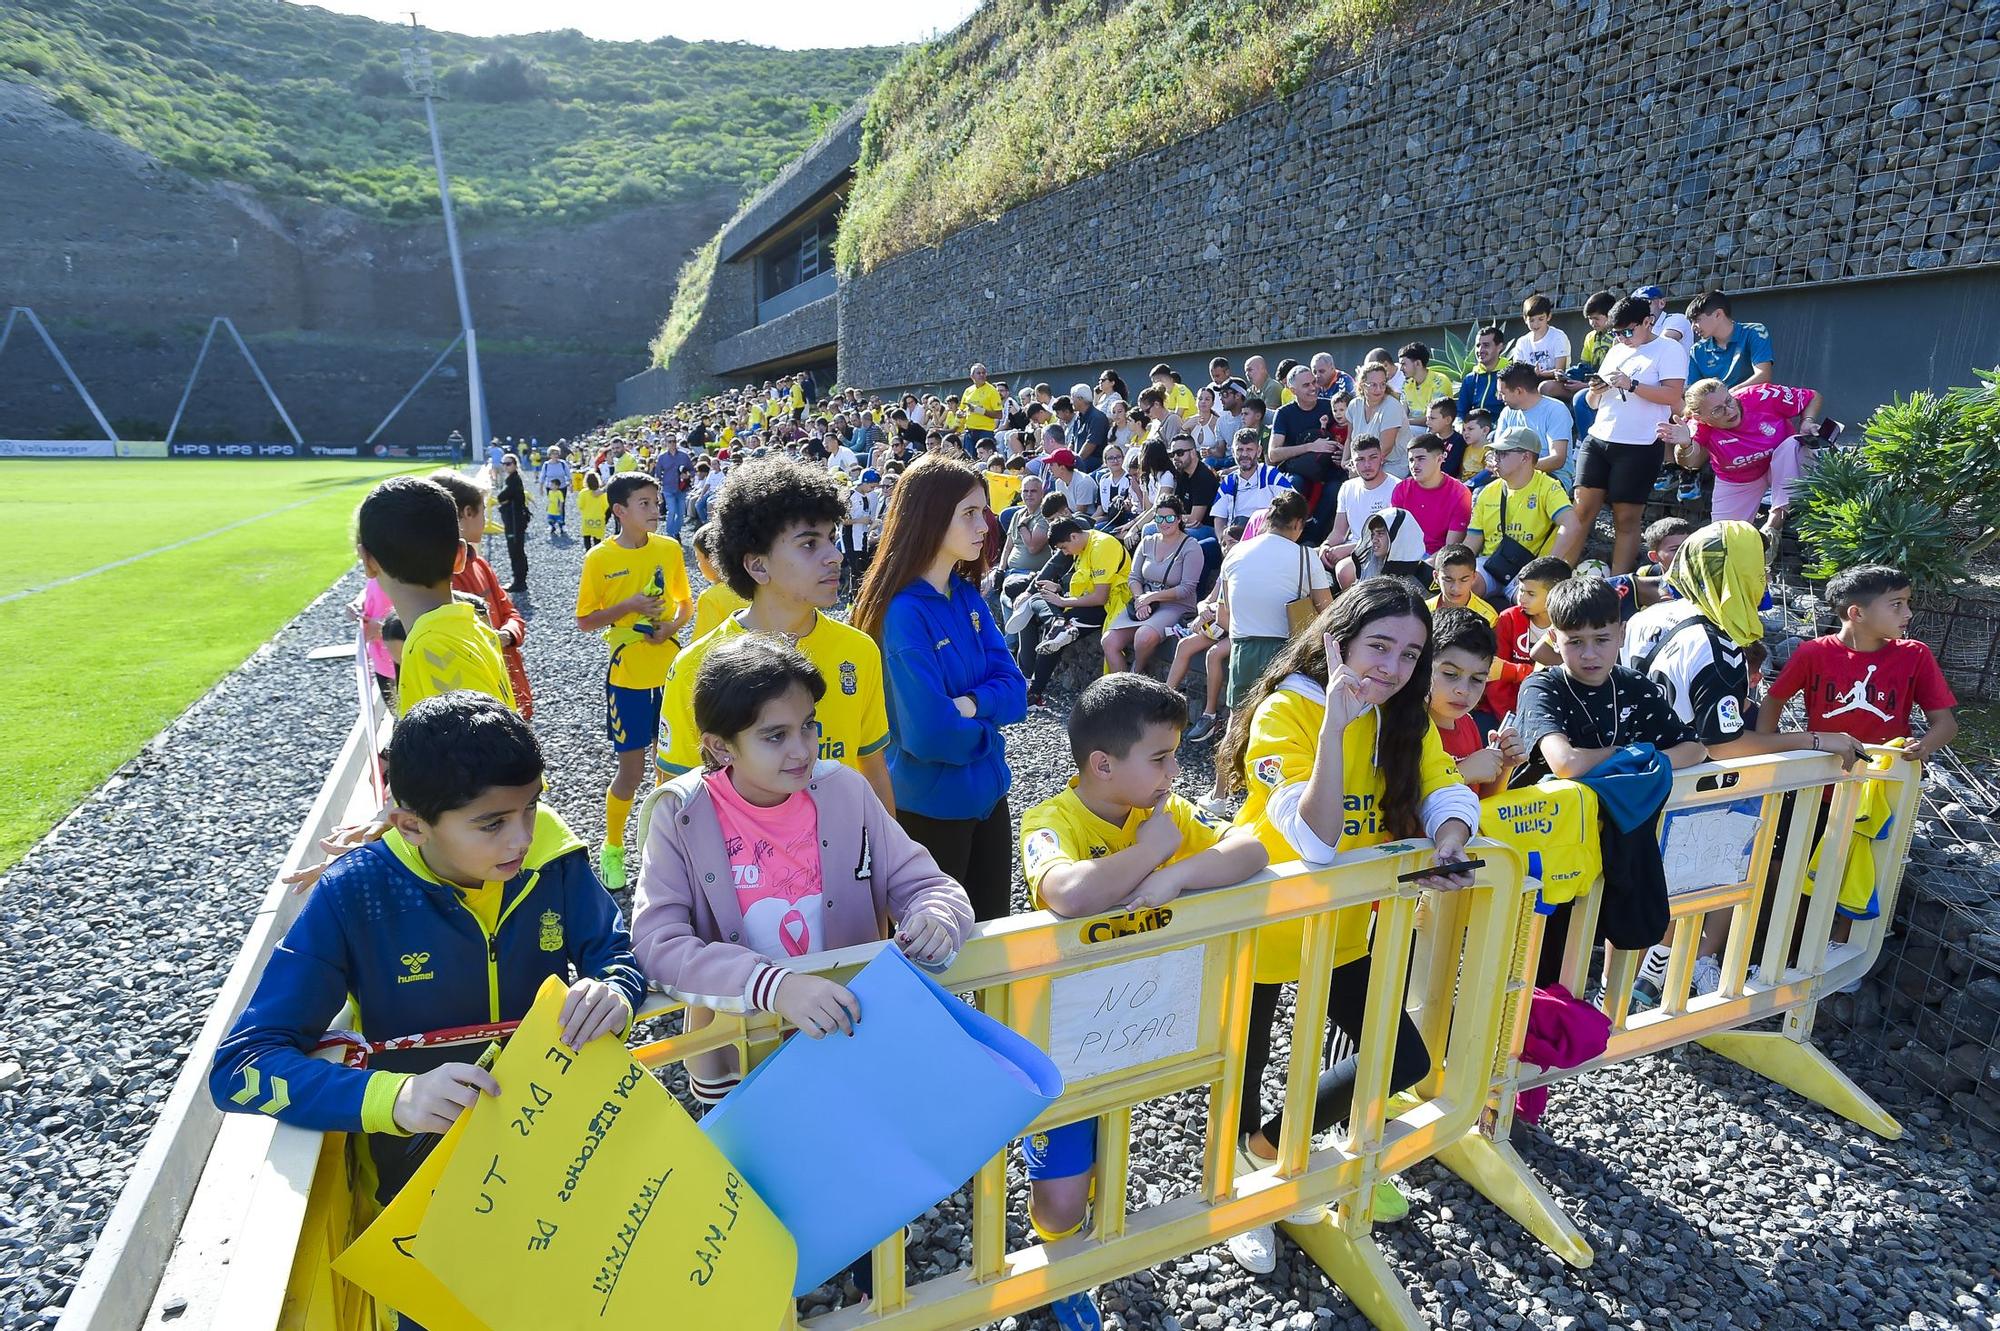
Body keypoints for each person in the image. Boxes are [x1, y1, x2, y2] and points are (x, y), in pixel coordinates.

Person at [210, 693, 646, 1208]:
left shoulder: (554, 854)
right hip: (422, 1179)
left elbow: (615, 953)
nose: (523, 838)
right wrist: (395, 1099)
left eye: (531, 807)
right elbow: (240, 1067)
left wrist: (614, 989)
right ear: (411, 825)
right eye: (493, 823)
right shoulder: (354, 894)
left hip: (568, 1143)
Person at [1216, 581, 1480, 1271]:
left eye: (1409, 654)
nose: (1391, 668)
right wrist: (1334, 723)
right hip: (1259, 921)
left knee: (1404, 1057)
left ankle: (1271, 1153)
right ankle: (1238, 1199)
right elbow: (1315, 839)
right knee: (1237, 1076)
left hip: (1338, 928)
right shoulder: (1288, 709)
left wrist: (1449, 840)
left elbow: (1447, 787)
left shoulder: (1403, 716)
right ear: (1337, 640)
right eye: (1379, 647)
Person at [632, 632, 973, 1113]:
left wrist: (937, 916)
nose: (802, 750)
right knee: (752, 1180)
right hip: (741, 1061)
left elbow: (925, 883)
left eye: (808, 726)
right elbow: (656, 943)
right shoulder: (682, 813)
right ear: (720, 747)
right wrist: (775, 987)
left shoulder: (845, 792)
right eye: (775, 736)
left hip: (850, 1035)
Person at [1019, 673, 1267, 1316]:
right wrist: (1149, 853)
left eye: (1175, 753)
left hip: (1134, 1029)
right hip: (1059, 1049)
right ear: (1102, 764)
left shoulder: (1165, 814)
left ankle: (1088, 1248)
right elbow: (1068, 894)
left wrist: (1178, 871)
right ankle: (1061, 1269)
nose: (1174, 770)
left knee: (1115, 1154)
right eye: (1159, 757)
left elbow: (1251, 851)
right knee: (1060, 1197)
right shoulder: (1052, 820)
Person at [1623, 523, 1869, 1000]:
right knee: (1704, 885)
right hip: (1693, 787)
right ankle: (1661, 987)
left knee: (1646, 893)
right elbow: (1727, 744)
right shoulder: (1718, 642)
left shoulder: (1649, 617)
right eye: (1757, 565)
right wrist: (1815, 739)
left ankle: (1627, 993)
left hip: (1640, 779)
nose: (1763, 576)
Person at [656, 459, 896, 815]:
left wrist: (887, 862)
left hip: (842, 863)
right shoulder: (695, 665)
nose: (835, 555)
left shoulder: (858, 650)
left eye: (832, 538)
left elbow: (872, 767)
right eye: (809, 544)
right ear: (757, 565)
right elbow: (673, 796)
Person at [851, 455, 1028, 923]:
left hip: (990, 802)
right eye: (969, 513)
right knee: (933, 956)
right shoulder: (903, 612)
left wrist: (970, 704)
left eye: (985, 512)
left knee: (992, 941)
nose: (985, 525)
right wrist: (992, 734)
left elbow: (1016, 689)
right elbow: (929, 734)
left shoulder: (968, 594)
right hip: (930, 812)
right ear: (930, 517)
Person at [1506, 577, 1707, 984]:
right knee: (1541, 960)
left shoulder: (1634, 685)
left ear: (1621, 633)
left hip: (1621, 839)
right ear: (1553, 638)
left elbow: (1694, 748)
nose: (1590, 654)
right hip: (1552, 847)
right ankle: (1528, 1033)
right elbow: (1563, 763)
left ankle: (1604, 1021)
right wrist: (1633, 757)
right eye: (1574, 641)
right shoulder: (1543, 685)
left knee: (1621, 932)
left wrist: (1632, 761)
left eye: (1601, 639)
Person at [574, 473, 694, 889]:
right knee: (631, 770)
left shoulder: (669, 548)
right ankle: (613, 848)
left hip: (670, 667)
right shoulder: (599, 559)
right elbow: (586, 621)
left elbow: (685, 604)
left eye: (656, 501)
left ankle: (667, 846)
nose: (655, 509)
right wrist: (629, 606)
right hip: (626, 673)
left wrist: (669, 627)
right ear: (619, 511)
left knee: (673, 764)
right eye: (644, 503)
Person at [1760, 564, 1958, 761]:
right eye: (1897, 604)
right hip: (1822, 777)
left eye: (1907, 603)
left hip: (1889, 776)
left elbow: (1946, 724)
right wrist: (1765, 755)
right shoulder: (1812, 653)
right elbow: (1774, 700)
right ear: (1857, 614)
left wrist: (1922, 747)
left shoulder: (1915, 655)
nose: (1908, 613)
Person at [357, 476, 516, 717]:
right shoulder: (477, 624)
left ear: (367, 561)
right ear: (461, 556)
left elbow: (472, 753)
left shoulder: (430, 650)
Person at [1205, 489, 1331, 768]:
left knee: (1237, 722)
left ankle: (1219, 793)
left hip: (1243, 649)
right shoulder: (1306, 557)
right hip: (1289, 652)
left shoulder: (1235, 553)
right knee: (1284, 722)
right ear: (1298, 524)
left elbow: (1224, 615)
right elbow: (1328, 613)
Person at [1579, 296, 1689, 571]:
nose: (1623, 338)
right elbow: (1593, 402)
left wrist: (1632, 385)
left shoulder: (1668, 349)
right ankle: (1551, 578)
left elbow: (1672, 395)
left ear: (1648, 321)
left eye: (1628, 331)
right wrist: (1595, 390)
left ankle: (1618, 586)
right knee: (1580, 511)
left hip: (1639, 445)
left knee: (1626, 520)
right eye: (1617, 332)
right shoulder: (1616, 350)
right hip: (1600, 438)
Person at [1664, 378, 1827, 536]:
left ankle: (1774, 524)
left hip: (1787, 463)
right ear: (1701, 418)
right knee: (1723, 537)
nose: (1729, 411)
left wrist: (1807, 421)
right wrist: (1685, 445)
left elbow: (1812, 397)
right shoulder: (1695, 426)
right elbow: (1690, 462)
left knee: (1793, 443)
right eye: (1717, 410)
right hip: (1738, 478)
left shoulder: (1761, 395)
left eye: (1729, 400)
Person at [432, 471, 534, 720]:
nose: (486, 520)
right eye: (483, 512)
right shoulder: (437, 579)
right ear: (467, 513)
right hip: (479, 704)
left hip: (510, 686)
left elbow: (511, 613)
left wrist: (507, 635)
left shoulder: (480, 564)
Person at [1019, 517, 1131, 705]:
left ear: (1073, 537)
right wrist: (1058, 589)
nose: (1066, 553)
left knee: (1053, 637)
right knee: (1037, 600)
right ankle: (1058, 623)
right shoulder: (1083, 545)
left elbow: (1100, 597)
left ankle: (1034, 692)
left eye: (1064, 548)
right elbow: (1084, 585)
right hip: (1083, 604)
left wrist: (1062, 601)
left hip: (1106, 606)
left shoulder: (1102, 546)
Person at [1465, 427, 1582, 597]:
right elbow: (1473, 539)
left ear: (1525, 457)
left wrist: (1545, 567)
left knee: (1531, 603)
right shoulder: (1487, 491)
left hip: (1531, 569)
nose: (1495, 459)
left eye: (1502, 453)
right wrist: (1457, 567)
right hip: (1491, 564)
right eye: (1494, 453)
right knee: (1465, 585)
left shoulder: (1548, 487)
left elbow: (1572, 526)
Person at [1103, 494, 1203, 673]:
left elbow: (1187, 588)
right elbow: (1134, 577)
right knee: (1109, 641)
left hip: (1175, 604)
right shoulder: (1147, 541)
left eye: (1170, 518)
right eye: (1159, 518)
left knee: (1143, 637)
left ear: (1179, 519)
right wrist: (1141, 599)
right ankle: (1120, 685)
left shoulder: (1191, 547)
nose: (1164, 522)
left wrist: (1152, 597)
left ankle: (1137, 672)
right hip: (1144, 600)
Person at [1428, 608, 1523, 796]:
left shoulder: (1468, 723)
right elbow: (1401, 804)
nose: (1463, 689)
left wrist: (1503, 765)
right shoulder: (1407, 729)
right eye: (1450, 674)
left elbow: (1481, 802)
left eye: (1477, 679)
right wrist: (1462, 773)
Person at [1484, 554, 1570, 723]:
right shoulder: (1509, 618)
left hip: (1552, 710)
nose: (1521, 598)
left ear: (1555, 594)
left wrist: (1513, 671)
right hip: (1505, 712)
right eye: (1521, 590)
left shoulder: (1571, 624)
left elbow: (1563, 678)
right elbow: (1495, 676)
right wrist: (1513, 720)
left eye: (1531, 593)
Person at [1268, 365, 1345, 541]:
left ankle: (1313, 538)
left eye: (1313, 382)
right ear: (1292, 389)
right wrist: (1310, 447)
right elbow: (1273, 454)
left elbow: (1348, 434)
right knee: (1294, 485)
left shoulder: (1331, 406)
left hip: (1329, 469)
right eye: (1306, 385)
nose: (1313, 388)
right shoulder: (1284, 413)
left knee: (1335, 489)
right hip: (1298, 471)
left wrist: (1344, 455)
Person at [1319, 434, 1397, 587]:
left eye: (1373, 457)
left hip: (1380, 551)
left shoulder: (1396, 488)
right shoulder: (1347, 487)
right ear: (1352, 463)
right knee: (1304, 558)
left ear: (1382, 457)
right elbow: (1339, 532)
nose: (1367, 465)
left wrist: (1349, 549)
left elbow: (1391, 538)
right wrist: (1326, 546)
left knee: (1344, 570)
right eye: (1360, 460)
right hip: (1350, 547)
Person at [1495, 362, 1575, 493]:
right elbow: (1496, 450)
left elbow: (1557, 459)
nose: (1499, 398)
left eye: (1502, 393)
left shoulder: (1556, 410)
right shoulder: (1507, 412)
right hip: (1511, 475)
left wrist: (1518, 468)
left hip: (1552, 477)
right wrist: (1492, 459)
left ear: (1519, 391)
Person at [1391, 434, 1473, 556]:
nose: (1414, 465)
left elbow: (1450, 549)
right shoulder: (1401, 488)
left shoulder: (1460, 493)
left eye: (1421, 459)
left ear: (1440, 459)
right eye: (1411, 460)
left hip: (1436, 558)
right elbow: (1394, 533)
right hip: (1402, 553)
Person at [1212, 428, 1295, 544]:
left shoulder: (1269, 475)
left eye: (1249, 450)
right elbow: (1219, 517)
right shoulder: (1229, 481)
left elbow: (1293, 503)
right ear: (1233, 451)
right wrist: (1223, 540)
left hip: (1264, 539)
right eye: (1240, 450)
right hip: (1235, 540)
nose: (1244, 454)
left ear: (1259, 451)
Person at [1685, 290, 1775, 389]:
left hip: (1751, 400)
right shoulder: (1697, 350)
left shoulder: (1754, 331)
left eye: (1697, 320)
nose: (1693, 327)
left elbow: (1763, 376)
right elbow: (1694, 391)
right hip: (1716, 403)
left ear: (1718, 314)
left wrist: (1729, 397)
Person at [689, 523, 750, 640]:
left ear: (712, 560)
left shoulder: (710, 598)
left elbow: (702, 644)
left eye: (698, 559)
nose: (698, 565)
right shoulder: (755, 586)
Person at [1346, 363, 1410, 473]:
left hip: (1393, 464)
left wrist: (1358, 467)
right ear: (1362, 385)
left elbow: (1385, 448)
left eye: (1383, 384)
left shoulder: (1392, 406)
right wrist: (1345, 461)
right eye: (1373, 385)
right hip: (1362, 463)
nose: (1379, 389)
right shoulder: (1354, 405)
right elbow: (1350, 439)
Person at [841, 468, 886, 597]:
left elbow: (864, 519)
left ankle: (857, 600)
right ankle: (854, 600)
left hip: (862, 538)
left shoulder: (866, 497)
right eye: (871, 486)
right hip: (851, 538)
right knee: (856, 570)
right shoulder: (850, 494)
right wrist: (861, 520)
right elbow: (843, 520)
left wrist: (872, 523)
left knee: (861, 570)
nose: (872, 490)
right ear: (865, 482)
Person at [1429, 543, 1498, 624]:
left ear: (1474, 577)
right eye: (1448, 579)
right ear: (1436, 577)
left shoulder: (1488, 618)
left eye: (1464, 580)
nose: (1456, 588)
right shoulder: (1422, 611)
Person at [1508, 292, 1571, 378]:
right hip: (1529, 382)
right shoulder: (1522, 342)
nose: (1536, 324)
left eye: (1541, 319)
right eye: (1531, 320)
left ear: (1548, 317)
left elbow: (1560, 371)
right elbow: (1518, 369)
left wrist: (1541, 374)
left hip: (1554, 382)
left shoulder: (1558, 336)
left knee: (1544, 387)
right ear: (1525, 319)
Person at [495, 453, 531, 592]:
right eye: (503, 463)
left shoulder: (514, 480)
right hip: (514, 520)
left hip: (515, 521)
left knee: (515, 550)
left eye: (508, 463)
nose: (505, 466)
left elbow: (501, 497)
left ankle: (519, 582)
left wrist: (505, 500)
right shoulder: (511, 479)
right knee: (517, 550)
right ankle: (519, 580)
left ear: (515, 465)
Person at [1455, 325, 1508, 419]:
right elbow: (1461, 412)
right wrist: (1460, 425)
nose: (1480, 350)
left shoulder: (1511, 374)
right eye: (1478, 345)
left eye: (1486, 345)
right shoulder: (1469, 379)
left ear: (1499, 347)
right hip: (1474, 429)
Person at [1397, 342, 1455, 423]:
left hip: (1433, 430)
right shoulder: (1406, 384)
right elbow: (1402, 414)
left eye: (1403, 364)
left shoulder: (1440, 381)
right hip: (1411, 428)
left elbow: (1433, 419)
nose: (1401, 369)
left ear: (1418, 363)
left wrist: (1405, 423)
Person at [962, 361, 1003, 447]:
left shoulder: (992, 391)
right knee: (969, 459)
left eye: (983, 373)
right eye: (978, 373)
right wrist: (960, 414)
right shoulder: (968, 391)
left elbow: (999, 415)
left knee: (985, 458)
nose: (982, 375)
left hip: (985, 431)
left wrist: (980, 410)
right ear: (972, 376)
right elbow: (962, 409)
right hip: (969, 430)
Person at [578, 470, 609, 551]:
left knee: (586, 537)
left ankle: (588, 553)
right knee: (597, 539)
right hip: (599, 519)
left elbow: (580, 506)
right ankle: (597, 555)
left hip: (587, 519)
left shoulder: (583, 493)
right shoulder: (601, 493)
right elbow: (606, 506)